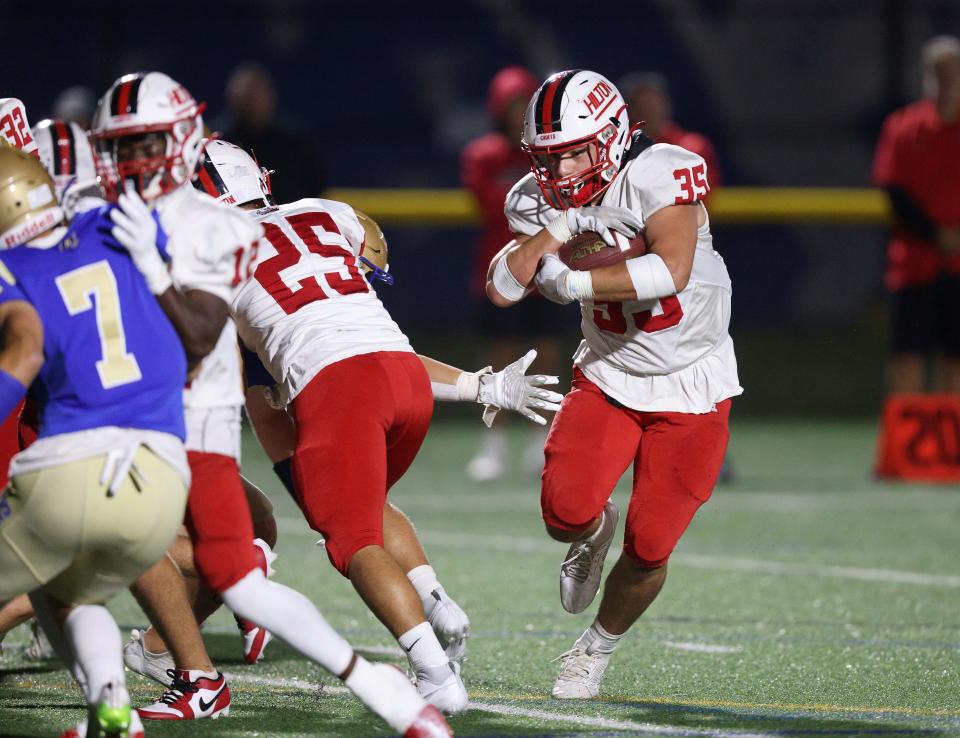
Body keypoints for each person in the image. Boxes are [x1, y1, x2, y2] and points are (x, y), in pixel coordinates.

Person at [89, 74, 453, 737]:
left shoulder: (183, 229)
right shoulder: (309, 215)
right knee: (243, 564)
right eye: (120, 149)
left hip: (175, 423)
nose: (131, 165)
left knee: (91, 550)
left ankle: (153, 684)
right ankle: (382, 689)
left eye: (142, 146)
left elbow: (193, 337)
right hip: (234, 415)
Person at [202, 139, 561, 714]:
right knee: (360, 502)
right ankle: (436, 600)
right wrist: (479, 385)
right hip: (404, 377)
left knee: (351, 540)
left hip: (338, 389)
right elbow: (359, 323)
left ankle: (434, 673)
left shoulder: (206, 253)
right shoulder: (327, 213)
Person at [486, 69, 741, 699]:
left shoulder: (658, 172)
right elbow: (502, 286)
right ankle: (593, 532)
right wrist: (563, 226)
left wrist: (574, 282)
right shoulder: (541, 199)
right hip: (610, 370)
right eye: (548, 157)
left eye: (573, 151)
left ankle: (595, 647)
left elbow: (674, 268)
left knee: (652, 545)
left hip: (691, 380)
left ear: (613, 136)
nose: (561, 169)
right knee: (563, 512)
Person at [0, 139, 189, 738]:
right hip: (164, 464)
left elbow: (26, 352)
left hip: (73, 460)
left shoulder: (12, 268)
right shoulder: (116, 221)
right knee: (69, 593)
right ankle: (113, 704)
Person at [461, 65, 566, 481]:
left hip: (549, 266)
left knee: (548, 358)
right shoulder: (482, 154)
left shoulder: (551, 151)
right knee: (500, 362)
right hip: (502, 271)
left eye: (525, 103)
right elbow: (496, 207)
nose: (518, 111)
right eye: (512, 104)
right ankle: (493, 445)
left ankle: (543, 444)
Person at [873, 35, 960, 394]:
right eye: (939, 72)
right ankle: (910, 444)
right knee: (907, 356)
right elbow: (894, 191)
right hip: (914, 260)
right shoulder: (904, 127)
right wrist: (937, 234)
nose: (946, 80)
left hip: (957, 265)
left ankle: (951, 443)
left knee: (955, 357)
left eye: (953, 71)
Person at [220, 62, 324, 202]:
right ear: (234, 100)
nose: (255, 104)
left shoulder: (294, 142)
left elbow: (316, 188)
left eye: (260, 95)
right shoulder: (220, 144)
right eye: (249, 97)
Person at [618, 71, 722, 187]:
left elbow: (702, 192)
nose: (649, 112)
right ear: (629, 111)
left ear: (666, 105)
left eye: (654, 105)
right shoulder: (617, 149)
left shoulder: (694, 147)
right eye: (641, 106)